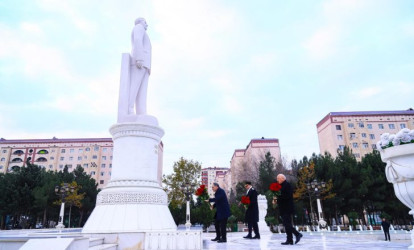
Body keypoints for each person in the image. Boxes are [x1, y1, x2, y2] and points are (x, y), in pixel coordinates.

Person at [129, 17, 152, 115]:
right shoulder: (139, 27)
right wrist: (139, 58)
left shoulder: (143, 31)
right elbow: (138, 40)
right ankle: (129, 108)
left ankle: (141, 112)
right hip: (140, 62)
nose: (147, 24)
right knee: (134, 86)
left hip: (145, 64)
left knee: (142, 91)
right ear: (140, 22)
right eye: (145, 22)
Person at [273, 174, 303, 245]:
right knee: (286, 224)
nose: (277, 180)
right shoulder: (280, 186)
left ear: (282, 178)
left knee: (287, 224)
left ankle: (296, 234)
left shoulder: (287, 185)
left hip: (287, 208)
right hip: (283, 208)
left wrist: (278, 198)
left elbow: (287, 196)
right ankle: (290, 239)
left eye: (278, 178)